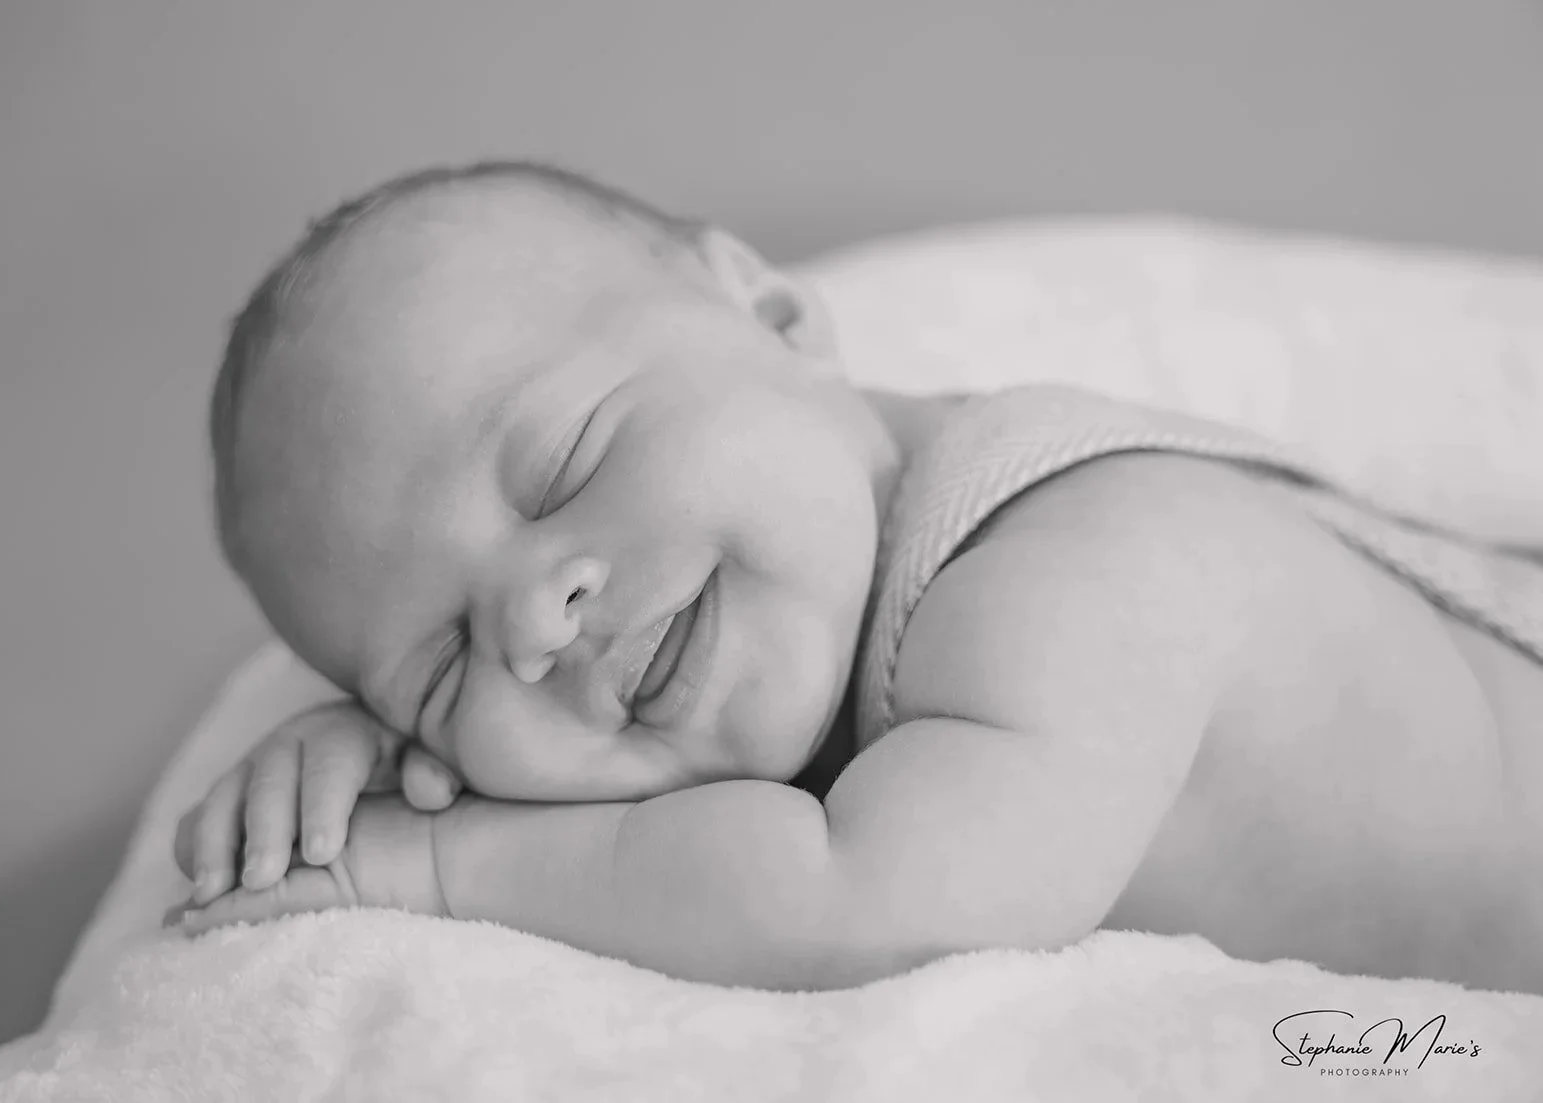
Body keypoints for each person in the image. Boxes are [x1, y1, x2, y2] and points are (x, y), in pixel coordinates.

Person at [170, 161, 1543, 994]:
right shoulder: (797, 592)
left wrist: (430, 858)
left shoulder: (1076, 566)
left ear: (770, 317)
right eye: (443, 661)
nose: (537, 615)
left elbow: (874, 899)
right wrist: (385, 757)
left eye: (563, 465)